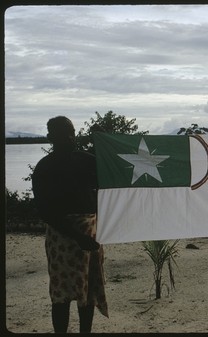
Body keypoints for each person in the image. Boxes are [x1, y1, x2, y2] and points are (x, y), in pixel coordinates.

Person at [32, 116, 108, 333]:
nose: (69, 137)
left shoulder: (85, 159)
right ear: (50, 138)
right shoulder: (44, 168)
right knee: (61, 295)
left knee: (88, 293)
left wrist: (102, 139)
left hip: (90, 231)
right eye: (63, 133)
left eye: (71, 132)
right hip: (62, 237)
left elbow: (110, 167)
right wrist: (78, 236)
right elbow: (46, 212)